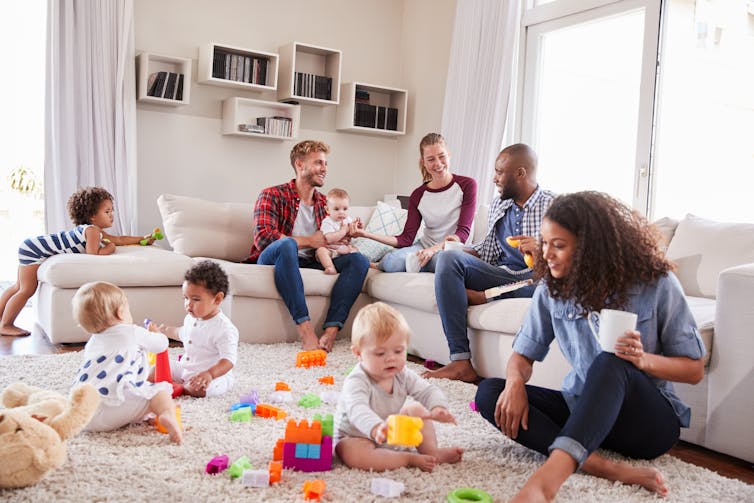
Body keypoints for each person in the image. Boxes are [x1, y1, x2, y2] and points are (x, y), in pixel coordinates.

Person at [475, 191, 706, 502]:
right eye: (544, 243)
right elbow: (522, 356)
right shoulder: (551, 290)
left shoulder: (656, 282)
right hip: (582, 411)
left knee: (610, 362)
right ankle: (603, 467)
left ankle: (548, 480)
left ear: (590, 248)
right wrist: (515, 382)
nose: (547, 254)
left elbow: (693, 370)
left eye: (558, 245)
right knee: (491, 392)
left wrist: (641, 361)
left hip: (647, 425)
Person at [423, 143, 555, 382]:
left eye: (499, 172)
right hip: (501, 273)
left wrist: (542, 250)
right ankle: (461, 361)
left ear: (520, 173)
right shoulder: (500, 204)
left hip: (533, 277)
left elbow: (570, 263)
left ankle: (486, 295)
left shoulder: (555, 207)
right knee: (448, 258)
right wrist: (458, 249)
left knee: (542, 289)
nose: (494, 178)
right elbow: (487, 250)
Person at [245, 140, 370, 352]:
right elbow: (264, 237)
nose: (324, 169)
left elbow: (332, 241)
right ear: (299, 165)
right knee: (287, 245)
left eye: (326, 164)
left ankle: (331, 331)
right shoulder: (272, 195)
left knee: (359, 260)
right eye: (318, 163)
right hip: (273, 258)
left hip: (311, 261)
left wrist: (348, 233)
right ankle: (306, 331)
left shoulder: (325, 204)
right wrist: (310, 241)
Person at [0, 186, 156, 337]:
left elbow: (120, 239)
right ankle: (6, 325)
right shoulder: (92, 231)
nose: (112, 215)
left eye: (112, 210)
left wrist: (143, 239)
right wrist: (110, 249)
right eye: (107, 211)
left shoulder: (94, 231)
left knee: (17, 286)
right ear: (92, 216)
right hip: (36, 249)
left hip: (32, 245)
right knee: (26, 290)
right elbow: (92, 254)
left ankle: (1, 317)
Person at [334, 302, 463, 472]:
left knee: (417, 409)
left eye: (398, 351)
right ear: (358, 353)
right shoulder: (357, 380)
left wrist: (438, 407)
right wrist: (375, 428)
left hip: (389, 428)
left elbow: (427, 390)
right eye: (380, 353)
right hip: (355, 435)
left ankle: (431, 451)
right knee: (354, 454)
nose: (391, 359)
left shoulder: (402, 374)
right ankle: (407, 458)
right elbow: (357, 410)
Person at [71, 281, 183, 444]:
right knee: (159, 393)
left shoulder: (93, 343)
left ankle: (140, 414)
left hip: (84, 415)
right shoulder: (131, 331)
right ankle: (166, 414)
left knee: (130, 392)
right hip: (114, 406)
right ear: (120, 312)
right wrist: (156, 333)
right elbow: (161, 345)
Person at [350, 133, 477, 272]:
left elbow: (462, 234)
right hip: (424, 247)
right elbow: (406, 239)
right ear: (423, 162)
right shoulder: (418, 195)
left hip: (453, 251)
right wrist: (365, 234)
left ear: (449, 155)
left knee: (443, 261)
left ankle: (414, 264)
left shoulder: (467, 185)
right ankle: (386, 264)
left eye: (442, 156)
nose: (438, 163)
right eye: (431, 159)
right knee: (392, 262)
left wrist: (432, 251)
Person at [151, 260, 238, 398]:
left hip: (213, 375)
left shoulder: (225, 329)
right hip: (186, 367)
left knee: (200, 389)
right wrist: (163, 330)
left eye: (195, 299)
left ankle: (180, 388)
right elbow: (182, 333)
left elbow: (228, 361)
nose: (188, 304)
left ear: (217, 299)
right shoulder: (191, 318)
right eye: (186, 298)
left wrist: (210, 374)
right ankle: (174, 384)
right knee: (155, 368)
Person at [315, 188, 360, 275]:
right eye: (336, 209)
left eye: (345, 209)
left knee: (356, 251)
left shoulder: (348, 219)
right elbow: (329, 238)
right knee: (321, 251)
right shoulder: (327, 221)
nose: (341, 212)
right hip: (331, 250)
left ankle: (369, 264)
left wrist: (357, 228)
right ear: (327, 210)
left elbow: (353, 235)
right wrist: (343, 231)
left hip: (344, 249)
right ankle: (330, 267)